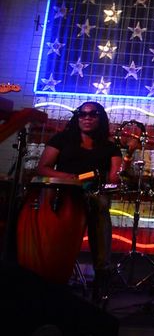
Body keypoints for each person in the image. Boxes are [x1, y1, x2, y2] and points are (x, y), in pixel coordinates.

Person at [36, 101, 128, 303]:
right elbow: (43, 168)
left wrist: (120, 172)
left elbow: (114, 178)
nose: (87, 118)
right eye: (82, 114)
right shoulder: (62, 139)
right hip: (63, 192)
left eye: (92, 114)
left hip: (92, 196)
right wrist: (71, 178)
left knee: (99, 203)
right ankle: (53, 273)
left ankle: (102, 273)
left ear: (100, 118)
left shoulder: (110, 147)